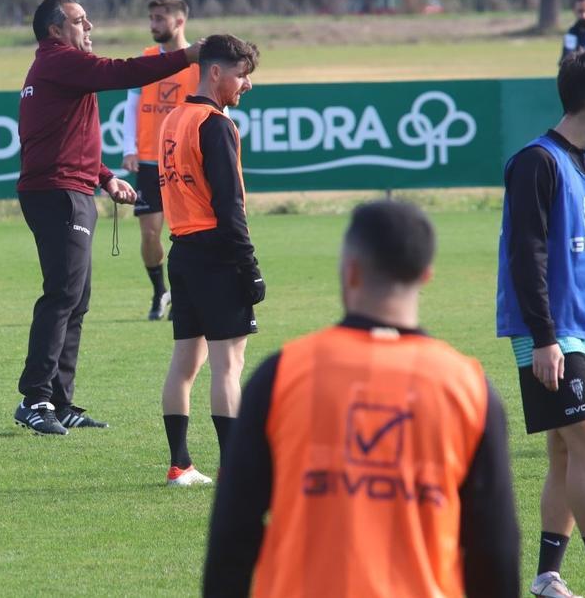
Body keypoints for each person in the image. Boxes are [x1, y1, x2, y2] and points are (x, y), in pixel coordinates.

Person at [204, 200, 520, 597]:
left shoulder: (282, 375)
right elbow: (496, 551)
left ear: (349, 270)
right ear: (426, 275)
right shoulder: (469, 389)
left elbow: (233, 535)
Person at [12, 0, 201, 435]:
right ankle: (34, 399)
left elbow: (62, 135)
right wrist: (186, 56)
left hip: (68, 188)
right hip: (58, 193)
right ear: (56, 31)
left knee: (76, 299)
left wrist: (105, 177)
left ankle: (59, 401)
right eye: (80, 21)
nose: (89, 26)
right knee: (62, 295)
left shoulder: (57, 66)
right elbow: (124, 72)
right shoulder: (61, 60)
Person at [497, 49, 585, 598]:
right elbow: (525, 255)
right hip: (551, 332)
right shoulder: (537, 161)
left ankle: (547, 576)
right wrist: (545, 338)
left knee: (566, 452)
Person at [157, 34, 260, 486]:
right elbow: (229, 205)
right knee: (228, 367)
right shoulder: (214, 124)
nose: (247, 86)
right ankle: (234, 468)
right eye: (241, 75)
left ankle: (180, 464)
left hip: (181, 252)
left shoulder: (173, 118)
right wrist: (249, 265)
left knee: (185, 363)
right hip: (218, 255)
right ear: (215, 72)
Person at [121, 0, 200, 321]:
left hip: (184, 161)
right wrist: (129, 146)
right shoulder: (148, 58)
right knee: (150, 234)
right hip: (151, 162)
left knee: (187, 234)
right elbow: (131, 104)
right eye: (151, 18)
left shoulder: (198, 61)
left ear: (179, 21)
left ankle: (184, 295)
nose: (152, 25)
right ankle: (159, 291)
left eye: (159, 19)